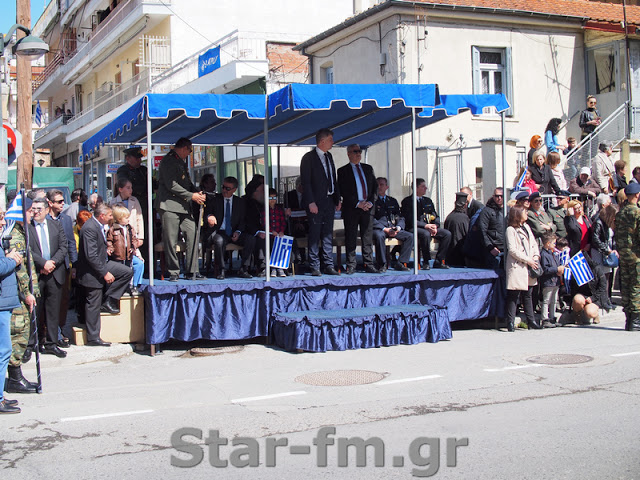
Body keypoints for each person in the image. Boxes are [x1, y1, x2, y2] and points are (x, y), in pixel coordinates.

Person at [76, 204, 133, 346]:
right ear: (102, 216)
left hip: (102, 263)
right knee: (93, 303)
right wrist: (105, 273)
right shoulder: (89, 228)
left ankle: (109, 299)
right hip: (92, 272)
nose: (111, 218)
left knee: (126, 272)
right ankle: (93, 337)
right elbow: (91, 256)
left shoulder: (98, 226)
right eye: (109, 215)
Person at [158, 137, 206, 281]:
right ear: (184, 148)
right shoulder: (168, 161)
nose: (190, 153)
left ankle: (192, 270)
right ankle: (174, 272)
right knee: (171, 239)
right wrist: (192, 196)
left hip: (183, 205)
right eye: (190, 150)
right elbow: (171, 185)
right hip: (169, 205)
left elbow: (186, 182)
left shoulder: (180, 161)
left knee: (192, 232)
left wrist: (197, 191)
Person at [4, 203, 40, 393]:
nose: (33, 213)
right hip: (17, 295)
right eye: (29, 210)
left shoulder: (20, 230)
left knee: (21, 332)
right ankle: (14, 379)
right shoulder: (15, 235)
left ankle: (15, 377)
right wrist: (26, 293)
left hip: (20, 293)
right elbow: (19, 269)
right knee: (19, 333)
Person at [26, 198, 69, 359]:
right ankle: (31, 345)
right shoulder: (28, 228)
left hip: (54, 273)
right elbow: (27, 249)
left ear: (45, 210)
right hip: (37, 274)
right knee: (34, 312)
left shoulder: (55, 225)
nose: (36, 211)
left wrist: (52, 263)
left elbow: (63, 246)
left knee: (53, 311)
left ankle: (51, 343)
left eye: (38, 209)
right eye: (33, 209)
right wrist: (43, 263)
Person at [299, 128, 341, 276]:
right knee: (315, 233)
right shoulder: (308, 158)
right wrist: (310, 202)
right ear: (322, 141)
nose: (332, 142)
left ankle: (328, 264)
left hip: (329, 200)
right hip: (316, 202)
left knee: (328, 233)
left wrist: (337, 198)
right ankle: (314, 265)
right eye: (330, 140)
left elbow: (333, 179)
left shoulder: (329, 156)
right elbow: (306, 182)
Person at [337, 144, 378, 274]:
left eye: (359, 151)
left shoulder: (368, 168)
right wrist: (357, 203)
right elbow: (343, 190)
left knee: (367, 236)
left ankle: (369, 263)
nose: (358, 154)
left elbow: (375, 188)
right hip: (352, 209)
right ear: (348, 154)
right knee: (351, 236)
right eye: (355, 152)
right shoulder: (343, 171)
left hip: (368, 208)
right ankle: (351, 264)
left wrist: (370, 202)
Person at [204, 176, 254, 280]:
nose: (224, 190)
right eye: (223, 187)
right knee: (219, 240)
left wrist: (238, 231)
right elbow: (206, 213)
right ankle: (222, 270)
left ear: (234, 190)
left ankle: (244, 268)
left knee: (251, 239)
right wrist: (209, 217)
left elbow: (243, 220)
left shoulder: (239, 202)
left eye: (227, 188)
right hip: (220, 231)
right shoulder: (214, 200)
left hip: (234, 231)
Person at [46, 189, 77, 348]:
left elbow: (71, 242)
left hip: (63, 265)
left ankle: (60, 329)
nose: (62, 203)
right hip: (47, 266)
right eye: (59, 201)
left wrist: (74, 265)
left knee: (63, 301)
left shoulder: (65, 219)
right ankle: (48, 334)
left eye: (62, 201)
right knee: (49, 302)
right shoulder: (43, 219)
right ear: (50, 203)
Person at [0, 210, 24, 414]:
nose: (2, 223)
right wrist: (12, 260)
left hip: (4, 303)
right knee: (3, 351)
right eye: (0, 219)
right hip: (1, 304)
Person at [505, 205, 541, 331]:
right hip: (518, 266)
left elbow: (534, 244)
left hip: (530, 265)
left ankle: (531, 320)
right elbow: (512, 250)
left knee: (528, 294)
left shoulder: (527, 227)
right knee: (514, 294)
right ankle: (510, 321)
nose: (527, 213)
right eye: (524, 211)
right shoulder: (511, 230)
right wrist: (528, 260)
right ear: (517, 214)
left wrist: (536, 256)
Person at [401, 178, 451, 269]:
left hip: (429, 227)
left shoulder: (428, 201)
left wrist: (435, 226)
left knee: (447, 234)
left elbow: (435, 215)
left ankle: (439, 260)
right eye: (423, 186)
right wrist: (425, 226)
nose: (426, 188)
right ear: (416, 188)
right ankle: (426, 261)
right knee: (425, 234)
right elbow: (409, 219)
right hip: (414, 227)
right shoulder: (407, 201)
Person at [372, 177, 412, 272]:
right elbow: (370, 218)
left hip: (393, 228)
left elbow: (400, 216)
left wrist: (398, 227)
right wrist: (384, 229)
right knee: (379, 236)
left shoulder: (392, 201)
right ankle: (382, 264)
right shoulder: (372, 201)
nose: (379, 187)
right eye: (377, 184)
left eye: (382, 185)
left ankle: (401, 262)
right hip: (379, 229)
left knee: (410, 236)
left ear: (387, 187)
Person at [615, 183, 640, 331]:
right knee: (636, 286)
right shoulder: (637, 213)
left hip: (624, 255)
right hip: (636, 255)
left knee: (626, 286)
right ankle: (636, 321)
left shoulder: (620, 213)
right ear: (637, 195)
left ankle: (628, 319)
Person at [107, 204, 143, 296]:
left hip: (128, 254)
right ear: (119, 218)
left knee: (131, 268)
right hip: (118, 255)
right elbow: (109, 241)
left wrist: (133, 247)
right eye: (126, 218)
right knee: (121, 272)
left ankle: (132, 286)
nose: (128, 220)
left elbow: (134, 239)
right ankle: (120, 288)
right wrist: (110, 248)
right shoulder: (113, 229)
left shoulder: (130, 228)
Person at [591, 204, 617, 311]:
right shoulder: (598, 222)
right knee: (601, 277)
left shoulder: (606, 223)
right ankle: (601, 300)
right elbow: (595, 239)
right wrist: (607, 250)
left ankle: (606, 300)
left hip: (606, 250)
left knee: (607, 276)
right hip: (599, 252)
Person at [110, 178, 144, 248]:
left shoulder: (134, 200)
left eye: (131, 188)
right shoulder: (113, 202)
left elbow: (139, 218)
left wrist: (141, 237)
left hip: (133, 235)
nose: (131, 190)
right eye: (128, 188)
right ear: (120, 189)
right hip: (120, 236)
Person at [539, 232, 564, 328]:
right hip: (548, 281)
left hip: (555, 280)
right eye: (553, 243)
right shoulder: (544, 254)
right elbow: (545, 269)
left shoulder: (553, 254)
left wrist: (559, 270)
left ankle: (552, 317)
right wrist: (556, 269)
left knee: (554, 300)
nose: (555, 245)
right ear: (548, 243)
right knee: (546, 300)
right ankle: (544, 319)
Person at [477, 188, 505, 269]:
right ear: (493, 196)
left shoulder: (507, 210)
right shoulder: (486, 211)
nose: (499, 198)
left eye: (501, 196)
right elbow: (482, 231)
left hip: (506, 249)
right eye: (497, 196)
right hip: (493, 250)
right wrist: (490, 248)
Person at [443, 192, 470, 267]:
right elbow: (466, 236)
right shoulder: (464, 218)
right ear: (465, 205)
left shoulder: (450, 216)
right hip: (460, 256)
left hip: (449, 255)